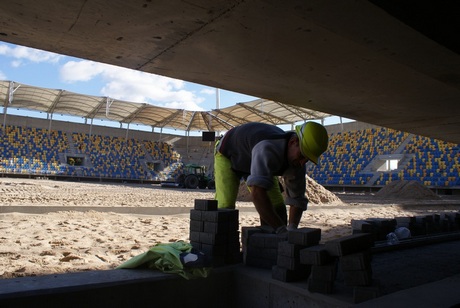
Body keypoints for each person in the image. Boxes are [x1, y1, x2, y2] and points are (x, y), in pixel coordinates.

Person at [214, 121, 329, 234]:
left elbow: (297, 199)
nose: (302, 162)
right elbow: (258, 194)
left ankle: (266, 248)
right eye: (302, 155)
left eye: (307, 159)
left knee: (277, 208)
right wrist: (281, 230)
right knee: (225, 208)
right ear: (293, 142)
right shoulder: (267, 149)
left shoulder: (297, 163)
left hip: (253, 157)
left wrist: (292, 228)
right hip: (228, 153)